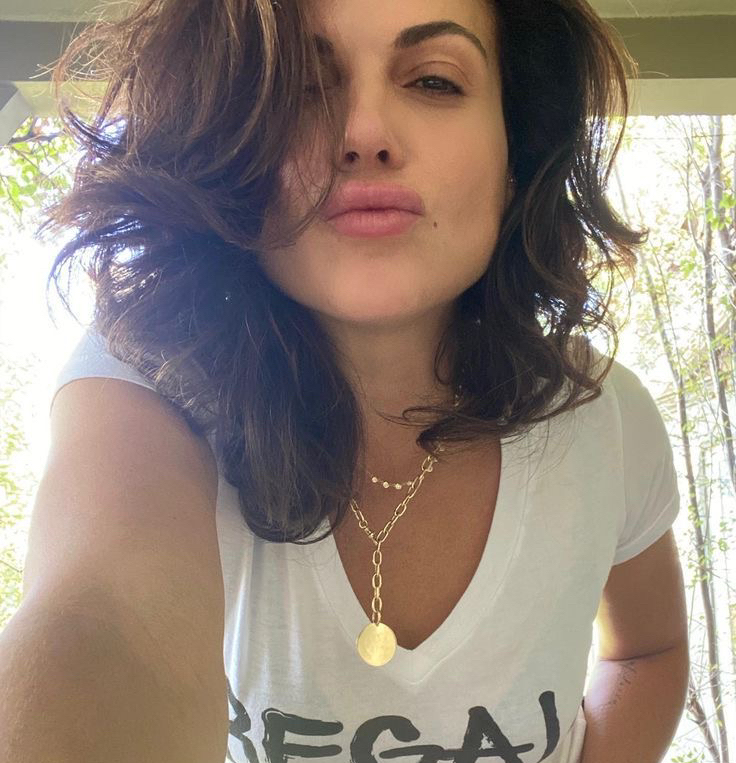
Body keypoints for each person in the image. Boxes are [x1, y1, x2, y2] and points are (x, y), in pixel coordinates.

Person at [3, 0, 688, 762]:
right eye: (302, 85)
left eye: (433, 81)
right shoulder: (147, 380)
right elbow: (108, 622)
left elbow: (648, 651)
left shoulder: (605, 418)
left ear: (513, 160)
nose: (364, 132)